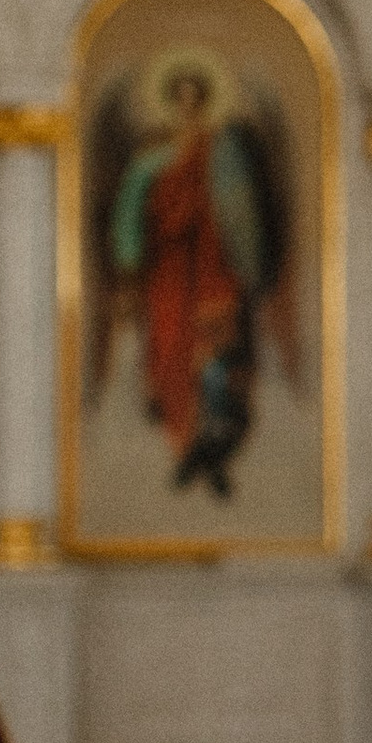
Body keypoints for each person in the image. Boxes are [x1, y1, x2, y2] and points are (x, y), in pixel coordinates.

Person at [103, 57, 282, 496]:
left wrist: (247, 261)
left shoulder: (224, 153)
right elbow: (128, 218)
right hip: (167, 274)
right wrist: (129, 269)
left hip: (213, 273)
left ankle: (211, 451)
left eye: (195, 100)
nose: (187, 109)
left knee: (216, 364)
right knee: (170, 358)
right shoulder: (152, 158)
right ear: (169, 104)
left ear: (204, 101)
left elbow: (242, 214)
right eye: (179, 100)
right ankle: (185, 449)